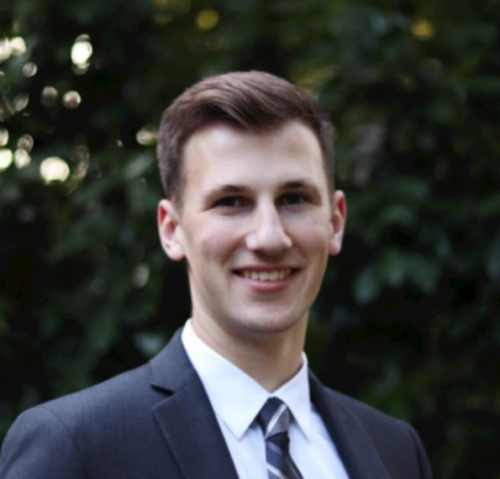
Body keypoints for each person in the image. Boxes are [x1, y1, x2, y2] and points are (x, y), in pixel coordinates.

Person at [0, 71, 433, 479]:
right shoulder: (76, 447)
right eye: (231, 202)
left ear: (335, 222)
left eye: (294, 198)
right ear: (172, 230)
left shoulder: (395, 451)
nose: (269, 237)